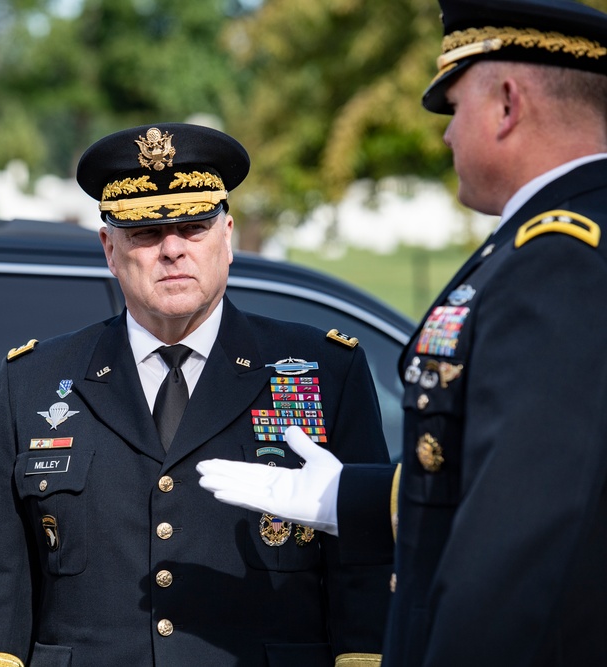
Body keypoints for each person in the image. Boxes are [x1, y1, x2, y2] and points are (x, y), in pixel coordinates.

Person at [198, 0, 607, 664]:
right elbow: (496, 475)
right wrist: (344, 498)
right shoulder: (553, 241)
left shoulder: (560, 258)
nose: (445, 137)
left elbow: (517, 542)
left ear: (506, 105)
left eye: (454, 108)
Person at [0, 122, 392, 667]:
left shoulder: (323, 371)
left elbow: (364, 574)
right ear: (109, 249)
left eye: (194, 226)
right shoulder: (35, 380)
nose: (173, 250)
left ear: (227, 237)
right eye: (145, 232)